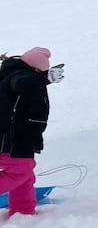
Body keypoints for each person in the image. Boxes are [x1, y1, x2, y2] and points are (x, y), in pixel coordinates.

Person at [0, 47, 65, 218]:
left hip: (20, 138)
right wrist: (46, 77)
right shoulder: (17, 75)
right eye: (40, 72)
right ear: (35, 68)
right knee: (20, 171)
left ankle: (23, 212)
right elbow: (22, 84)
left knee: (26, 175)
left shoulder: (14, 74)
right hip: (11, 138)